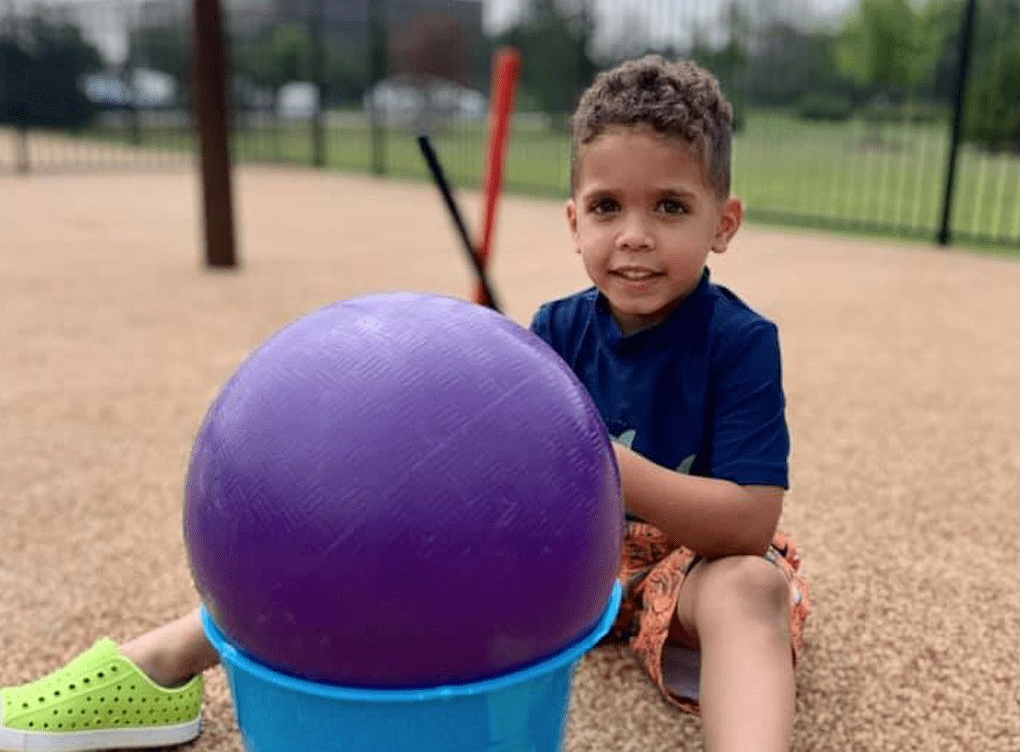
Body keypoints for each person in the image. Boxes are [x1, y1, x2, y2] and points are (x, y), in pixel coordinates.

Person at [0, 54, 808, 752]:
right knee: (345, 548)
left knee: (753, 590)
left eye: (669, 206)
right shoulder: (556, 330)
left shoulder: (738, 342)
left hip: (686, 569)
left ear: (723, 223)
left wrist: (601, 465)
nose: (634, 234)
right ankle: (158, 668)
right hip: (566, 566)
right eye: (607, 207)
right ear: (572, 221)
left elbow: (747, 524)